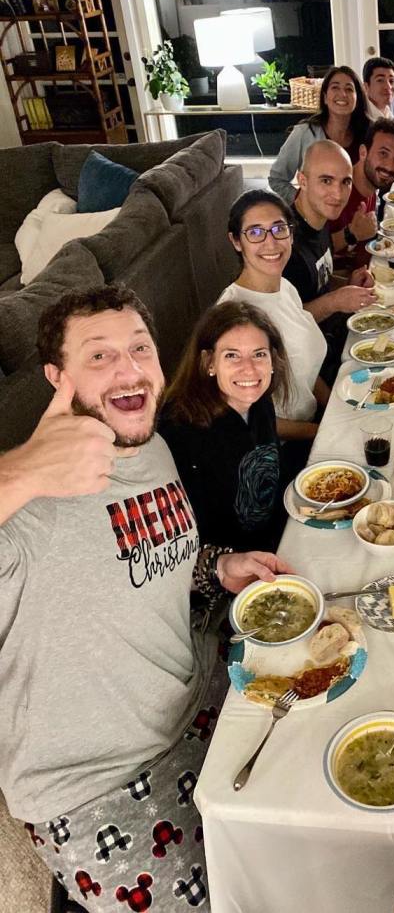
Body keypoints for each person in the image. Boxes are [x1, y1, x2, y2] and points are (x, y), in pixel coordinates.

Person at [0, 284, 293, 912]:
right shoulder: (25, 509)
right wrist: (20, 472)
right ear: (57, 377)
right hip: (99, 785)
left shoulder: (152, 448)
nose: (129, 369)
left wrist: (218, 565)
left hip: (200, 695)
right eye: (98, 356)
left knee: (310, 840)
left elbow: (155, 559)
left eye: (139, 348)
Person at [160, 301, 293, 552]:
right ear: (209, 362)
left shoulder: (259, 402)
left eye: (259, 354)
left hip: (279, 538)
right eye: (232, 355)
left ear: (273, 360)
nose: (249, 369)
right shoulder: (179, 432)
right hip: (230, 565)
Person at [216, 189, 329, 442]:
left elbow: (304, 366)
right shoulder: (235, 315)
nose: (271, 242)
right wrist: (322, 432)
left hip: (313, 422)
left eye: (279, 229)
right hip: (281, 445)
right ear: (236, 241)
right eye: (255, 232)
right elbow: (248, 415)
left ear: (291, 234)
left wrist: (335, 407)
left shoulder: (286, 288)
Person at [284, 139, 376, 319]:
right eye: (326, 181)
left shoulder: (320, 218)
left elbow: (318, 284)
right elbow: (286, 321)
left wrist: (349, 284)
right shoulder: (284, 243)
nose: (338, 194)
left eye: (345, 182)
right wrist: (334, 301)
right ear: (302, 181)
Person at [268, 66, 371, 203]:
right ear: (325, 97)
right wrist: (304, 202)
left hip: (361, 213)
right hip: (318, 216)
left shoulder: (368, 134)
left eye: (349, 89)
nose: (342, 94)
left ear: (357, 99)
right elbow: (276, 179)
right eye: (335, 87)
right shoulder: (304, 133)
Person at [327, 117, 394, 251]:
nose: (390, 166)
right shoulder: (333, 189)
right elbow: (303, 250)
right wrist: (351, 234)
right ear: (363, 153)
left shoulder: (371, 186)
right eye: (383, 153)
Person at [362, 56, 394, 120]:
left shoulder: (389, 115)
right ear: (365, 87)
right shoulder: (359, 117)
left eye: (391, 81)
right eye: (380, 80)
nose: (388, 86)